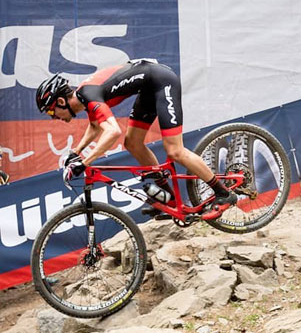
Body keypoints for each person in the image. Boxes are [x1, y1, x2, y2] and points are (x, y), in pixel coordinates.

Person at [35, 62, 236, 217]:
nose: (54, 117)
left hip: (162, 81)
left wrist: (85, 162)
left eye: (52, 111)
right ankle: (170, 202)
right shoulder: (84, 98)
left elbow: (112, 131)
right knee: (132, 143)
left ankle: (223, 193)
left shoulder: (89, 95)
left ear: (61, 101)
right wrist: (75, 153)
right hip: (148, 88)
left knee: (174, 150)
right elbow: (96, 126)